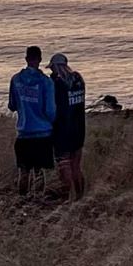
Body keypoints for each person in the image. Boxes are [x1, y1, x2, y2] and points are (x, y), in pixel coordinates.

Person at [7, 45, 56, 194]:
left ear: (26, 59)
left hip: (24, 133)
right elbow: (50, 110)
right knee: (39, 172)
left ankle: (21, 200)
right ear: (40, 59)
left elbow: (12, 105)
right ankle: (38, 201)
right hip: (42, 133)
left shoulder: (16, 79)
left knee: (24, 171)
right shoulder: (46, 82)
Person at [49, 50, 88, 198]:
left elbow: (55, 108)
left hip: (62, 131)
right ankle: (79, 196)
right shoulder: (78, 79)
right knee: (76, 166)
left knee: (64, 166)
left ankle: (67, 198)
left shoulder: (58, 84)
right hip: (79, 130)